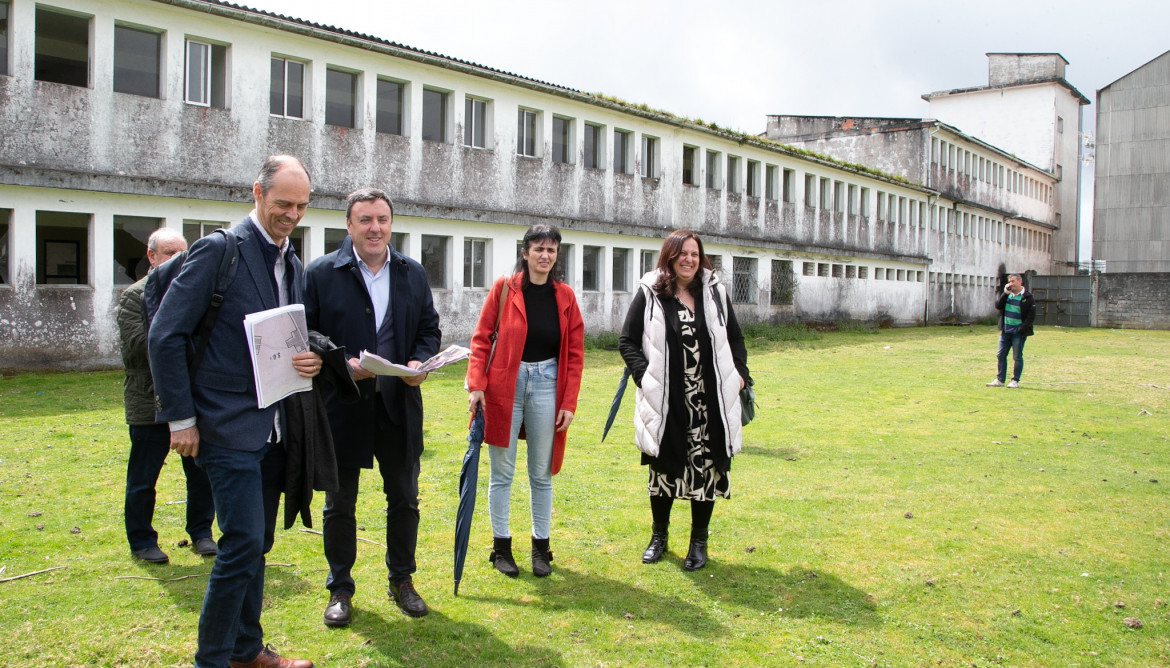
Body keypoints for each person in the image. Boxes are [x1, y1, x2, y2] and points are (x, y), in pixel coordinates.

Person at [149, 155, 321, 668]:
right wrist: (180, 418)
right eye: (282, 203)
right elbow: (165, 333)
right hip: (222, 426)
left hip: (272, 427)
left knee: (256, 542)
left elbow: (282, 333)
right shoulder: (219, 250)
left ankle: (247, 650)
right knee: (243, 540)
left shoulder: (290, 261)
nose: (291, 214)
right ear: (257, 193)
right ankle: (214, 659)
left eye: (301, 206)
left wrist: (308, 355)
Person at [303, 188, 441, 626]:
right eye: (365, 220)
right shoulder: (322, 272)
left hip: (398, 405)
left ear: (391, 223)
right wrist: (337, 363)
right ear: (348, 225)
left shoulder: (411, 273)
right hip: (342, 405)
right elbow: (306, 331)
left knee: (404, 497)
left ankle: (402, 580)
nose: (375, 228)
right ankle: (340, 588)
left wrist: (420, 359)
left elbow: (428, 328)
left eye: (382, 219)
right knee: (339, 503)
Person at [618, 230, 750, 572]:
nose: (688, 259)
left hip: (710, 401)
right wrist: (645, 378)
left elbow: (734, 337)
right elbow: (627, 341)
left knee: (706, 469)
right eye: (682, 254)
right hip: (666, 399)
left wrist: (741, 374)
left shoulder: (714, 291)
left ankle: (698, 542)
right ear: (669, 257)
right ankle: (658, 537)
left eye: (694, 253)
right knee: (662, 469)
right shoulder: (651, 294)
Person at [465, 224, 584, 578]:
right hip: (505, 383)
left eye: (551, 250)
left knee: (541, 474)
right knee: (502, 472)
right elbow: (481, 339)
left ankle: (540, 548)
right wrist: (476, 385)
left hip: (548, 383)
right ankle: (501, 547)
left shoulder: (565, 297)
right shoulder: (504, 289)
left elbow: (575, 353)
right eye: (538, 249)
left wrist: (569, 401)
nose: (545, 256)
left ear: (557, 255)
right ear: (525, 252)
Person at [116, 228, 216, 564]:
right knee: (144, 477)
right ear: (152, 256)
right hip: (150, 403)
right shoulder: (134, 297)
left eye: (182, 254)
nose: (176, 261)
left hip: (191, 400)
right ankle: (142, 540)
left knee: (200, 473)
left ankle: (202, 532)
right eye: (169, 253)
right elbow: (140, 349)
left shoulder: (195, 293)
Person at [987, 272, 1036, 389]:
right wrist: (1005, 293)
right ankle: (1000, 379)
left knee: (1017, 356)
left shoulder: (1027, 297)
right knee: (1000, 355)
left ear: (1020, 281)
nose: (1011, 284)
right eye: (1009, 282)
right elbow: (998, 305)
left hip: (1018, 333)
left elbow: (1031, 316)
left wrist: (1021, 328)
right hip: (1005, 331)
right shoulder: (1007, 295)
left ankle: (1015, 380)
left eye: (1013, 281)